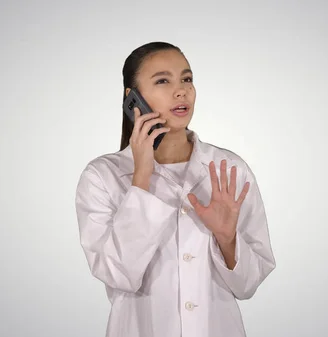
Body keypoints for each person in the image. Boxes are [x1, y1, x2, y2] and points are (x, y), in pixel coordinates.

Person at [75, 41, 276, 337]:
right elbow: (120, 274)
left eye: (187, 79)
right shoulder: (102, 176)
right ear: (132, 99)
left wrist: (227, 238)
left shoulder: (229, 169)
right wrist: (142, 176)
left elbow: (247, 286)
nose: (181, 90)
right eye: (162, 81)